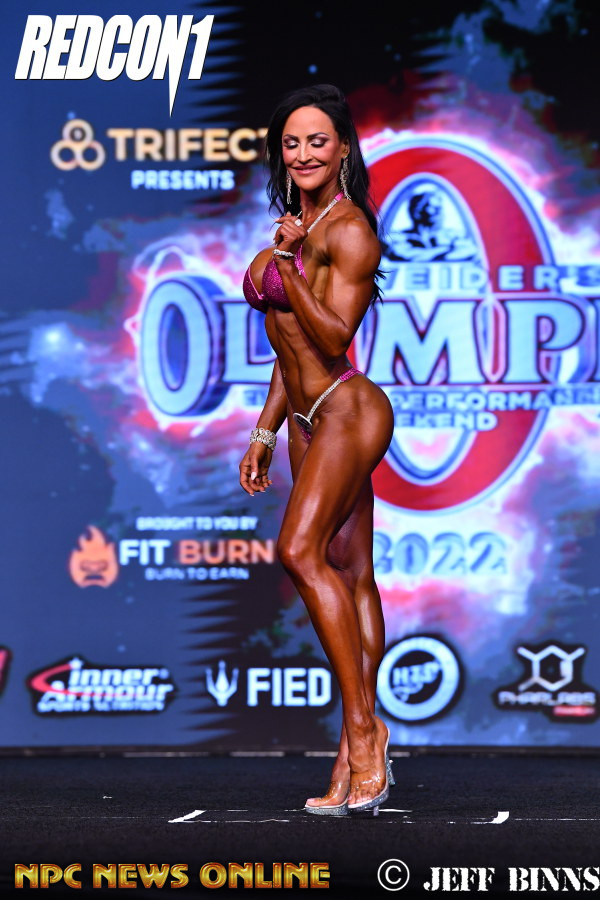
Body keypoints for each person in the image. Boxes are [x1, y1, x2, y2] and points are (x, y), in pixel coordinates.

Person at [239, 84, 395, 816]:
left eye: (317, 141)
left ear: (342, 151)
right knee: (351, 573)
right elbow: (288, 346)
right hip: (304, 418)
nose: (303, 153)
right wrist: (265, 431)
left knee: (300, 551)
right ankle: (350, 751)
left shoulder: (349, 229)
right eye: (292, 143)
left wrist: (288, 263)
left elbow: (331, 338)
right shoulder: (298, 227)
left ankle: (364, 734)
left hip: (348, 409)